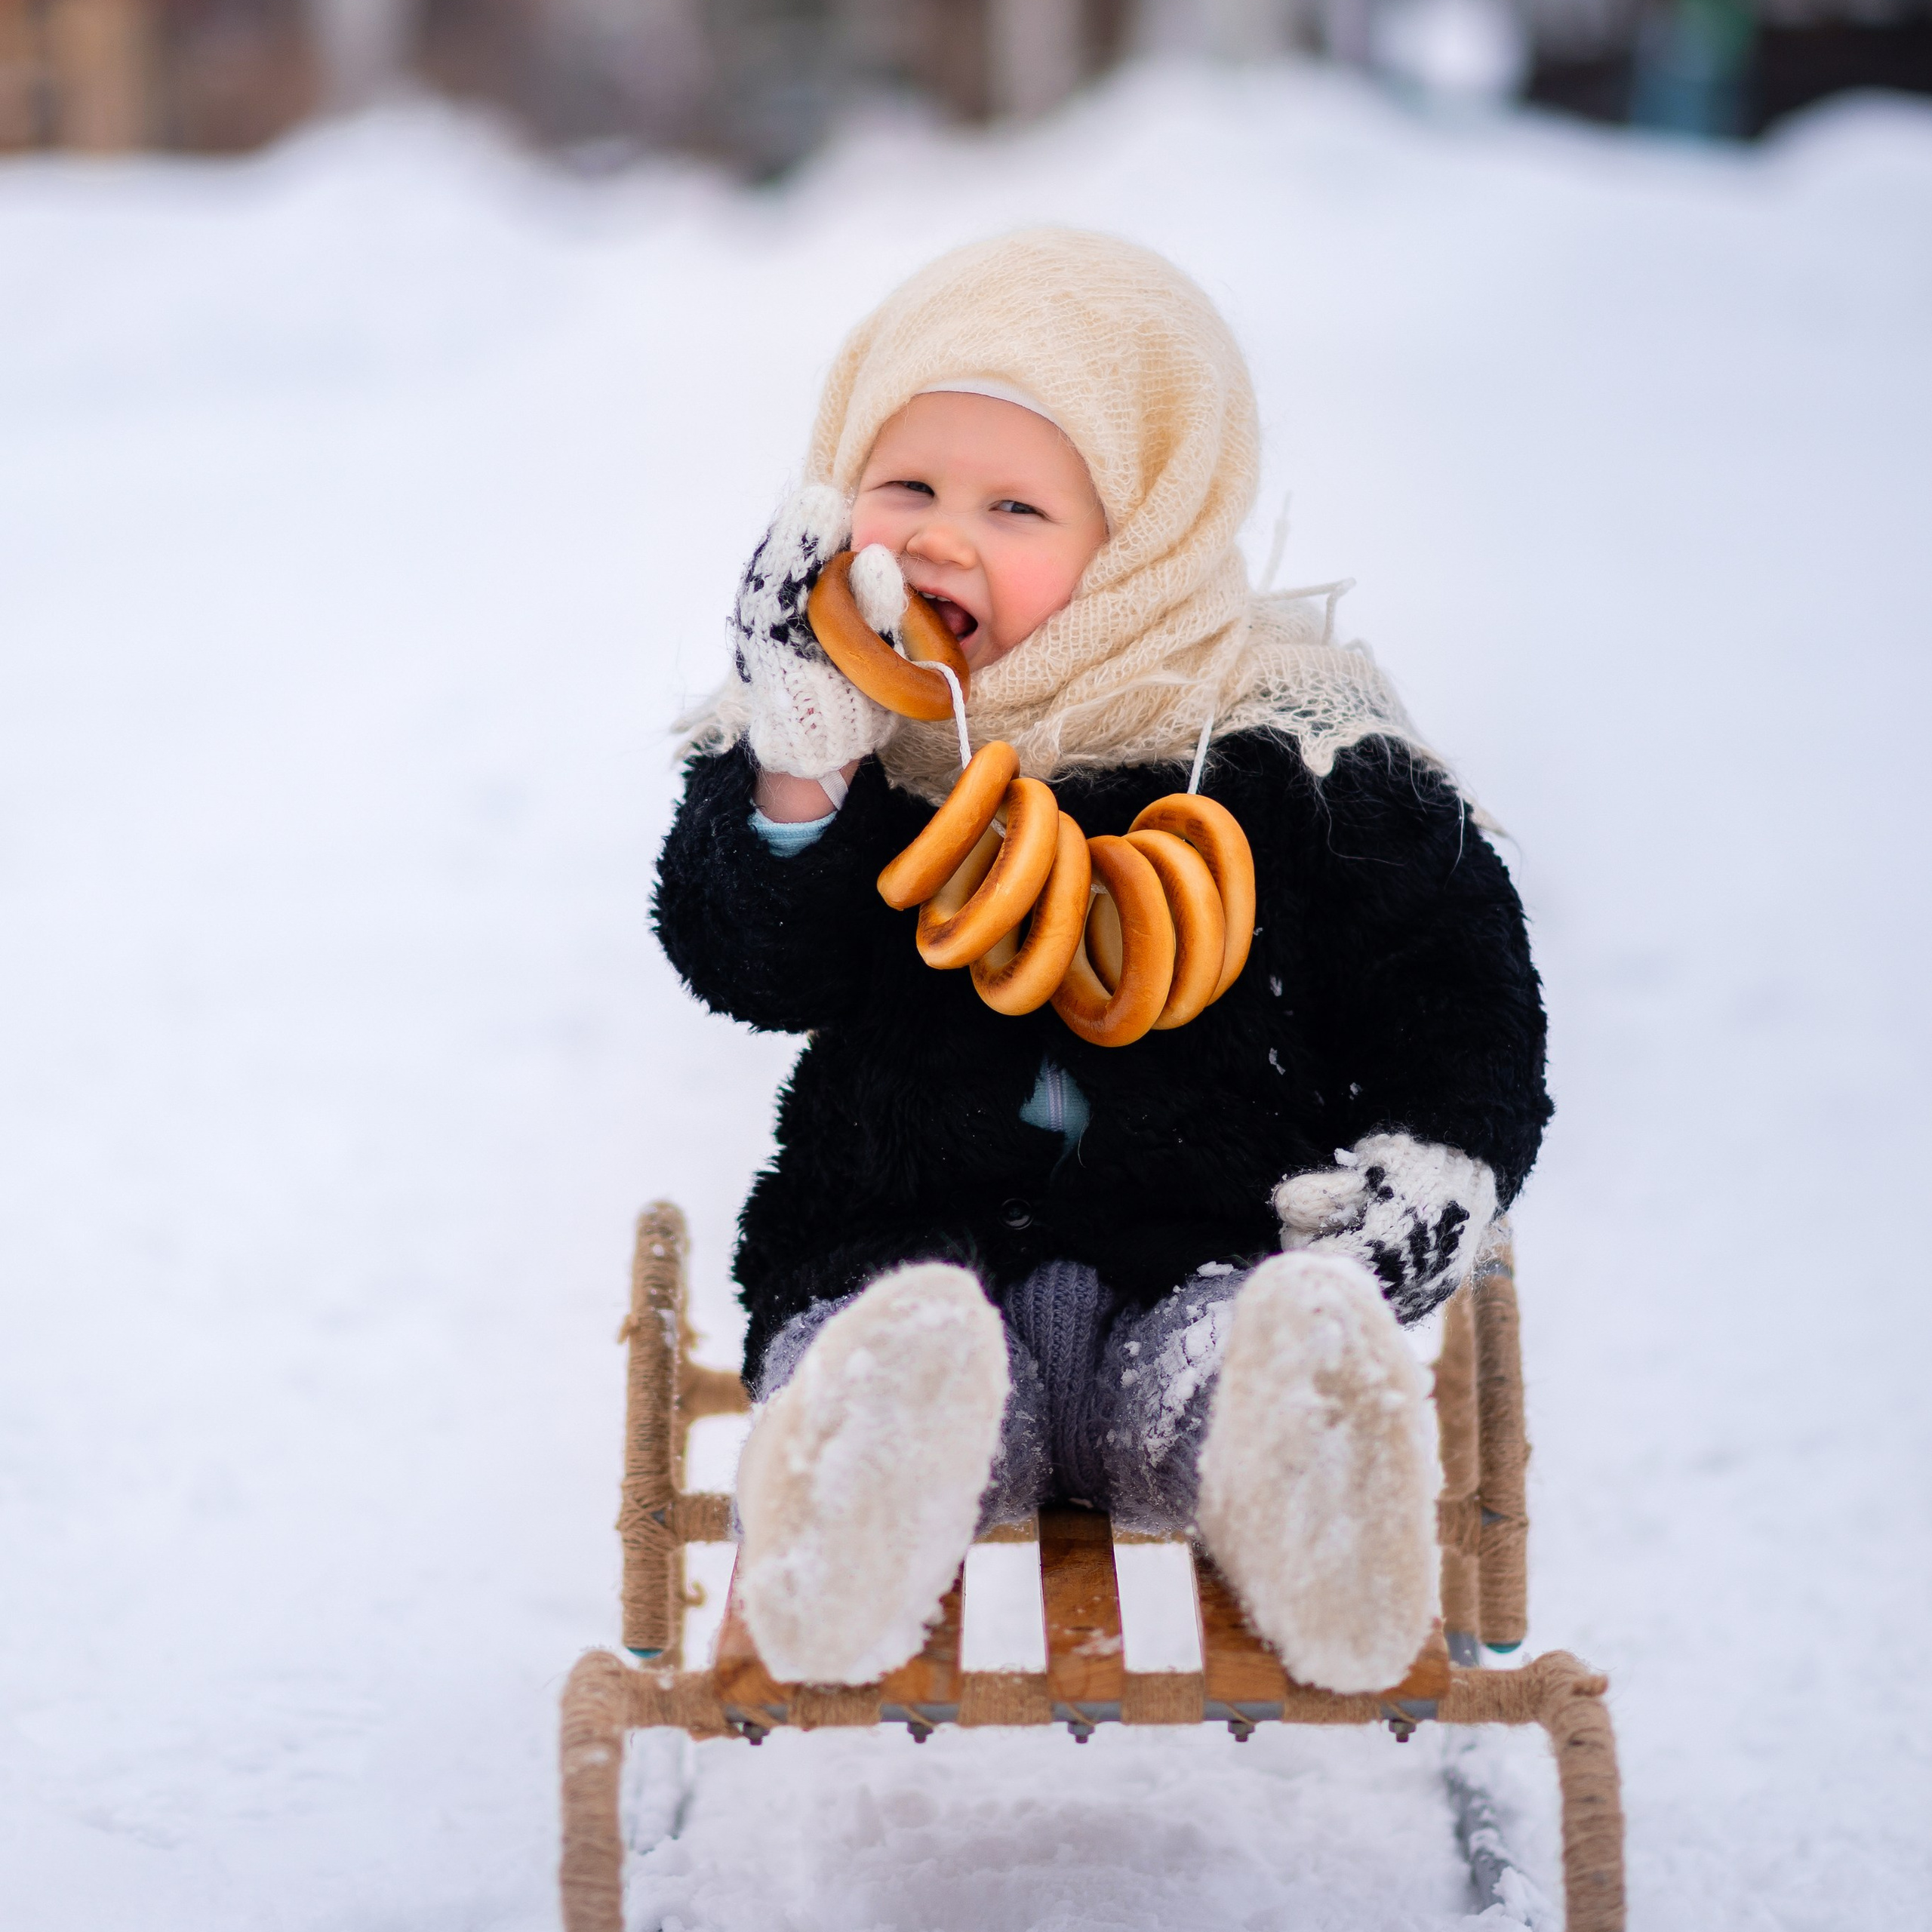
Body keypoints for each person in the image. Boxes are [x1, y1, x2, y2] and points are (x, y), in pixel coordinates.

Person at [654, 229, 1550, 1696]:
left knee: (1243, 1364)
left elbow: (1449, 982)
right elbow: (752, 965)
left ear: (1140, 526)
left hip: (1201, 1252)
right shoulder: (836, 731)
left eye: (1014, 504)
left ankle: (1307, 1482)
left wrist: (1437, 1155)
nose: (942, 536)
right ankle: (856, 1501)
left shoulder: (1293, 740)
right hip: (901, 1254)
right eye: (906, 488)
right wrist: (801, 780)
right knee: (879, 1351)